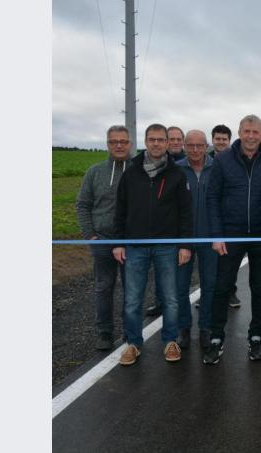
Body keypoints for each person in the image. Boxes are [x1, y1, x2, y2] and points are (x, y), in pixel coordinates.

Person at [203, 114, 261, 365]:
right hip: (230, 234)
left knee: (259, 288)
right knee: (222, 287)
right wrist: (217, 235)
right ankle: (216, 339)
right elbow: (213, 198)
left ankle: (256, 337)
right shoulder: (223, 159)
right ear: (239, 132)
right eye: (246, 131)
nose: (250, 136)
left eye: (255, 132)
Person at [112, 123, 192, 365]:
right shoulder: (131, 172)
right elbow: (121, 211)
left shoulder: (177, 174)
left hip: (167, 246)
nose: (156, 143)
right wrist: (118, 243)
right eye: (152, 139)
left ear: (168, 143)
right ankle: (133, 344)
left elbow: (185, 213)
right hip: (135, 246)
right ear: (145, 142)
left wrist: (185, 245)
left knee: (170, 297)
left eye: (161, 139)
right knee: (133, 298)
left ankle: (170, 340)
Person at [76, 125, 131, 350]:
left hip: (131, 241)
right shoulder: (95, 172)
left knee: (132, 288)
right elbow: (83, 204)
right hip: (102, 240)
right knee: (104, 286)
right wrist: (90, 234)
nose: (118, 145)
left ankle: (131, 330)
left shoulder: (138, 170)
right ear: (107, 144)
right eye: (113, 141)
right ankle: (104, 332)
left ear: (129, 143)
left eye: (123, 141)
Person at [175, 130, 217, 349]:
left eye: (199, 145)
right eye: (190, 145)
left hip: (211, 238)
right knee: (180, 287)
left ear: (207, 146)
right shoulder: (175, 169)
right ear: (184, 145)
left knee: (209, 285)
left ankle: (205, 327)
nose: (195, 149)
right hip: (183, 239)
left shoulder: (217, 168)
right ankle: (184, 328)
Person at [144, 125, 187, 317]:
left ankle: (175, 312)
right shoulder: (160, 164)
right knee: (162, 273)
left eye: (179, 139)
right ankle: (160, 301)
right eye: (173, 139)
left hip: (180, 228)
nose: (176, 142)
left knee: (176, 276)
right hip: (160, 231)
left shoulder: (183, 165)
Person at [207, 124, 241, 309]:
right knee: (211, 262)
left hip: (230, 219)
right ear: (212, 141)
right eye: (217, 139)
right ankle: (210, 295)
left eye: (224, 139)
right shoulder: (206, 160)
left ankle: (231, 292)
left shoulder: (235, 160)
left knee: (230, 261)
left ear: (229, 140)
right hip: (211, 215)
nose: (220, 142)